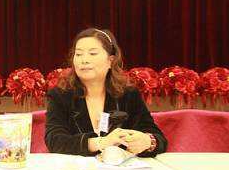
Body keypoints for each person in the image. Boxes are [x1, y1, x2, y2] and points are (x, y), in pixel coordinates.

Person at [45, 28, 167, 156]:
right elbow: (54, 140)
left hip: (120, 168)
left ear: (111, 60)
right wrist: (100, 143)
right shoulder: (60, 95)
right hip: (76, 168)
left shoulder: (128, 94)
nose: (84, 60)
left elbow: (157, 137)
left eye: (92, 53)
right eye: (79, 54)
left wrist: (147, 142)